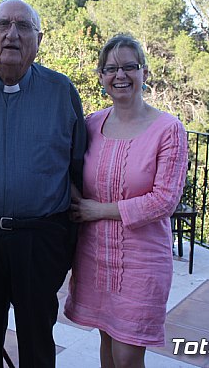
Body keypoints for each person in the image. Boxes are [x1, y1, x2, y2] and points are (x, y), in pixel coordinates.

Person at [0, 0, 86, 367]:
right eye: (3, 25)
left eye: (23, 26)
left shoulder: (61, 91)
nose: (12, 34)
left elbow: (78, 164)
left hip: (40, 240)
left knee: (38, 338)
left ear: (39, 39)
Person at [64, 34, 189, 368]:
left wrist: (98, 210)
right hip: (94, 256)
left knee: (128, 355)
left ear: (144, 72)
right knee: (106, 340)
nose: (120, 75)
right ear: (101, 76)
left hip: (142, 262)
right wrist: (76, 199)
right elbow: (71, 169)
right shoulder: (92, 123)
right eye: (110, 69)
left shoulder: (168, 129)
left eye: (129, 67)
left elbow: (165, 200)